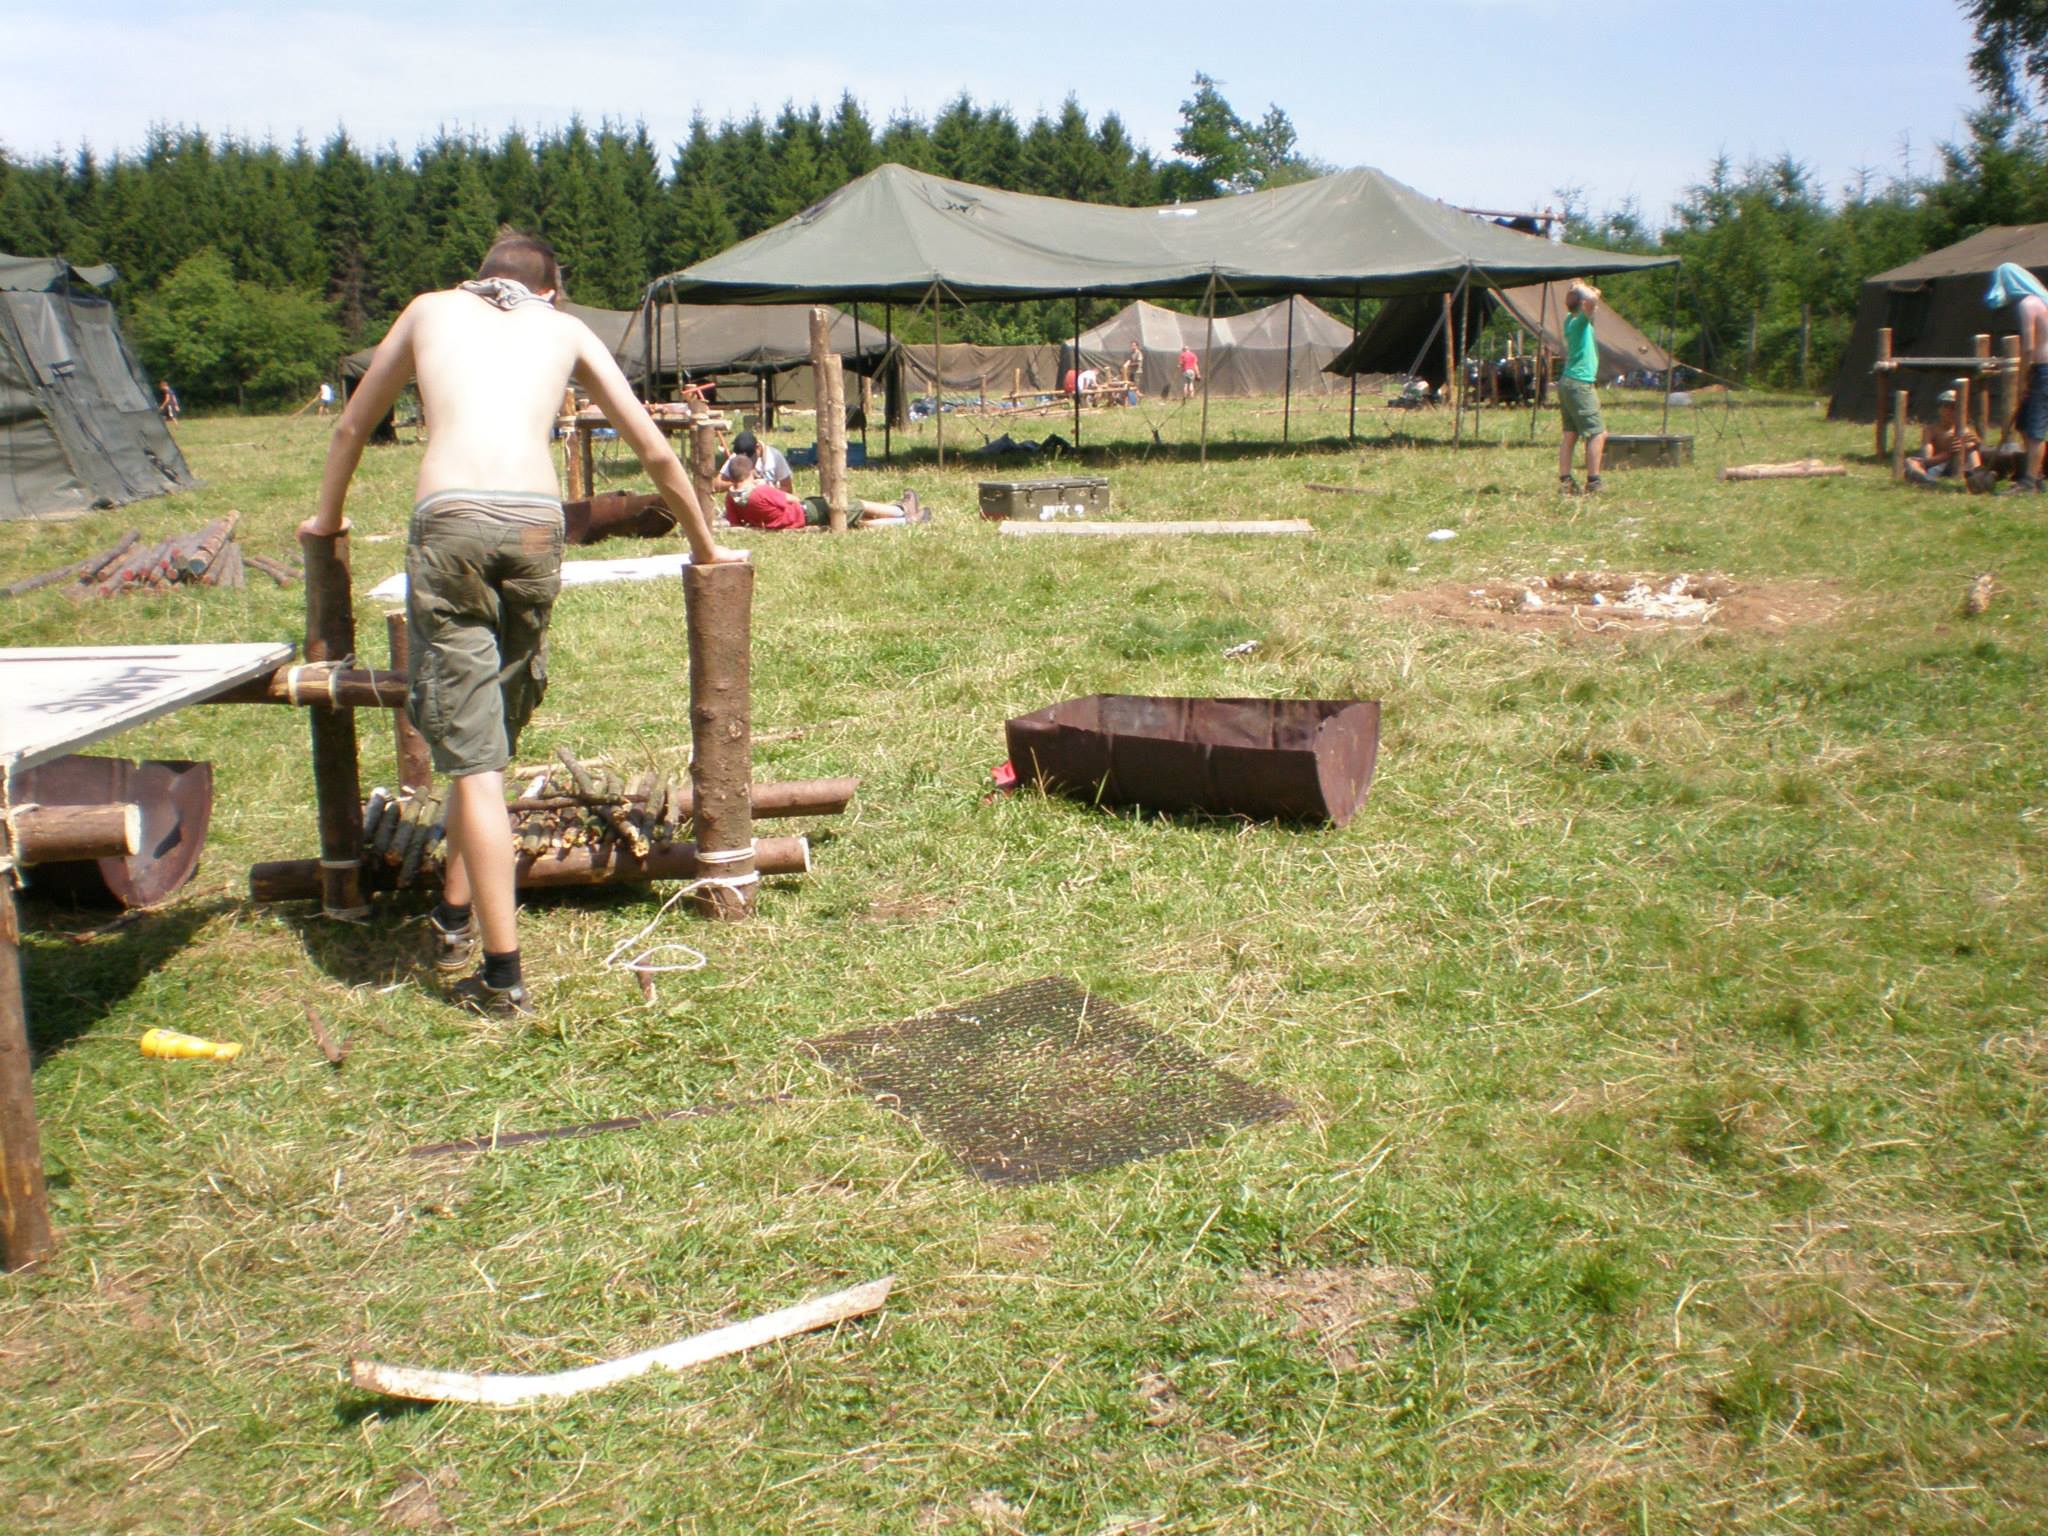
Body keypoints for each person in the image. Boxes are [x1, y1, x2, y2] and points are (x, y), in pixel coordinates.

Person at [300, 228, 736, 1017]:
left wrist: (325, 519)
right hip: (537, 526)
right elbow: (652, 447)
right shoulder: (563, 329)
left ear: (479, 280)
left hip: (452, 522)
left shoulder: (429, 311)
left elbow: (350, 427)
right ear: (551, 290)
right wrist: (704, 542)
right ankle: (456, 914)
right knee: (487, 741)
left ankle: (501, 976)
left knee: (472, 758)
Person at [722, 453, 925, 530]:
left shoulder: (731, 498)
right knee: (853, 506)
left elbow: (735, 523)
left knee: (855, 518)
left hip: (788, 522)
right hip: (802, 514)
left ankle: (901, 514)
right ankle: (902, 514)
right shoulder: (761, 492)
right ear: (750, 472)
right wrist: (764, 486)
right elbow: (791, 499)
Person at [1988, 262, 2048, 493]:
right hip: (2042, 370)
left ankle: (2030, 481)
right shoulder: (2043, 301)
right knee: (2024, 423)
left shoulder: (2027, 304)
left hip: (2042, 370)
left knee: (2034, 428)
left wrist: (2023, 378)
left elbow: (2029, 348)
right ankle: (2037, 474)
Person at [1557, 282, 1607, 494]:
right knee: (1598, 434)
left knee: (1570, 434)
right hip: (1579, 384)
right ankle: (1594, 481)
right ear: (1583, 303)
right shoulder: (1579, 323)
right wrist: (1579, 287)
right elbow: (1593, 299)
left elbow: (1595, 296)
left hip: (1567, 382)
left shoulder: (1570, 320)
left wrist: (1579, 289)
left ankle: (1565, 480)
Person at [1904, 389, 1983, 485]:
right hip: (1938, 466)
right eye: (1948, 407)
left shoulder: (1965, 430)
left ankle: (1977, 476)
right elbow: (1926, 460)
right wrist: (1948, 453)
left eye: (1955, 408)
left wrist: (1977, 444)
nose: (1952, 412)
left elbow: (1976, 452)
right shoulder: (1931, 430)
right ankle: (1925, 480)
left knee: (1971, 446)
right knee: (1910, 461)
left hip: (1962, 467)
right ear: (1940, 409)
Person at [714, 428, 792, 495]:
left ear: (757, 447)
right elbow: (716, 485)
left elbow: (787, 488)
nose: (746, 462)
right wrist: (739, 484)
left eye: (749, 459)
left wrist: (767, 490)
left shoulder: (775, 456)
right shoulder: (736, 458)